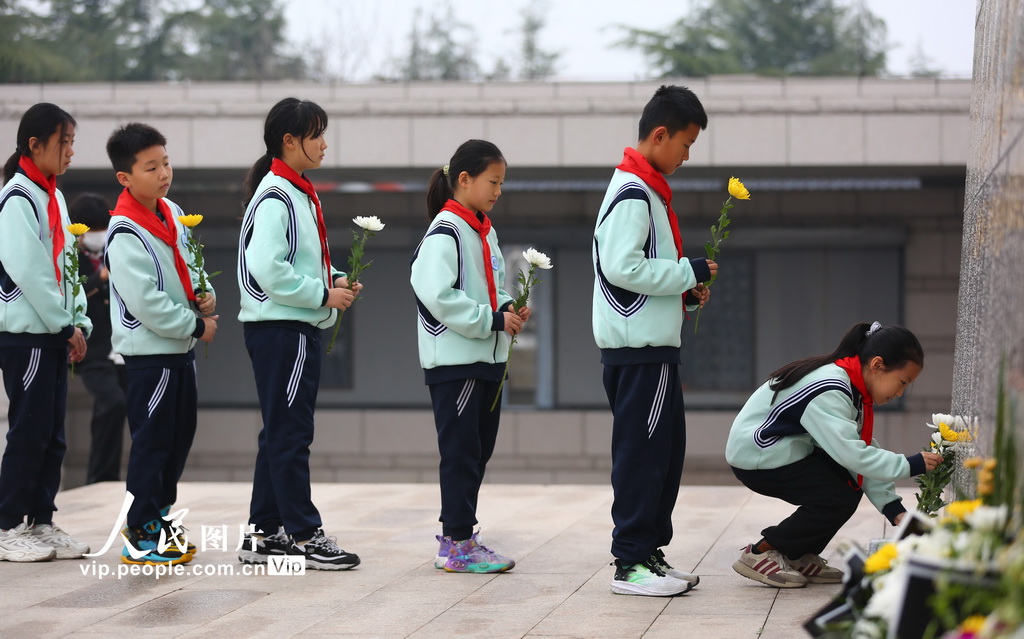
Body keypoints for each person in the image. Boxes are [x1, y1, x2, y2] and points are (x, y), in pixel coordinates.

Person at [592, 85, 714, 597]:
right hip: (639, 352)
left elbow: (639, 273)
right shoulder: (633, 192)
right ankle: (631, 564)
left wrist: (683, 296)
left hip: (651, 349)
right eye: (685, 144)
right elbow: (623, 268)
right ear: (659, 135)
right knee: (643, 457)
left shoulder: (647, 189)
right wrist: (687, 272)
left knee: (663, 455)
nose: (687, 155)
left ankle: (649, 553)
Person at [236, 97, 360, 571]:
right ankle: (306, 534)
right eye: (316, 134)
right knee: (290, 434)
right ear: (289, 142)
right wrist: (322, 295)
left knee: (279, 433)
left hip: (287, 326)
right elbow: (269, 269)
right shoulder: (278, 195)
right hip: (282, 329)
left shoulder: (293, 191)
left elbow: (296, 262)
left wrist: (334, 280)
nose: (325, 144)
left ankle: (264, 534)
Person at [726, 321, 942, 588]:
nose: (899, 393)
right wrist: (910, 465)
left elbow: (859, 452)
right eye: (901, 382)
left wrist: (894, 510)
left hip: (787, 448)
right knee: (834, 495)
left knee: (847, 489)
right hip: (759, 455)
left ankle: (796, 555)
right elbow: (854, 455)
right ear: (877, 365)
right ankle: (759, 553)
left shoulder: (851, 386)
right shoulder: (831, 388)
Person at [410, 139, 527, 574]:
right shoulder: (445, 231)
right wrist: (491, 320)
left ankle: (459, 536)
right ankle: (457, 543)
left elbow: (489, 288)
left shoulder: (482, 229)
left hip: (486, 361)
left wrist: (509, 308)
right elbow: (438, 296)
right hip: (456, 363)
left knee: (476, 451)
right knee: (460, 452)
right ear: (464, 180)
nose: (498, 191)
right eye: (492, 181)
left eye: (501, 183)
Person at [105, 122, 218, 565]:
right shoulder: (124, 230)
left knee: (178, 437)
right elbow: (146, 302)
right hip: (150, 354)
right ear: (125, 178)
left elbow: (190, 272)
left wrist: (205, 294)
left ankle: (161, 517)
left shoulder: (170, 212)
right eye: (150, 167)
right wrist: (194, 325)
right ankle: (140, 530)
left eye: (166, 162)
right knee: (152, 442)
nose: (163, 173)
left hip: (177, 352)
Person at [0, 102, 92, 562]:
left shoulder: (51, 194)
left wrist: (78, 321)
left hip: (53, 330)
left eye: (73, 142)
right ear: (34, 146)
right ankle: (7, 526)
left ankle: (40, 521)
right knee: (29, 431)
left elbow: (67, 267)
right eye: (64, 142)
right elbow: (30, 270)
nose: (71, 151)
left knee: (52, 434)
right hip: (28, 334)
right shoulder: (18, 196)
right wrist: (63, 323)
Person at [69, 193, 129, 484]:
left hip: (125, 346)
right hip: (94, 351)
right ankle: (101, 478)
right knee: (112, 401)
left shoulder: (118, 247)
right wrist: (99, 279)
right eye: (92, 230)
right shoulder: (69, 256)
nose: (98, 236)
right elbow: (69, 295)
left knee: (133, 408)